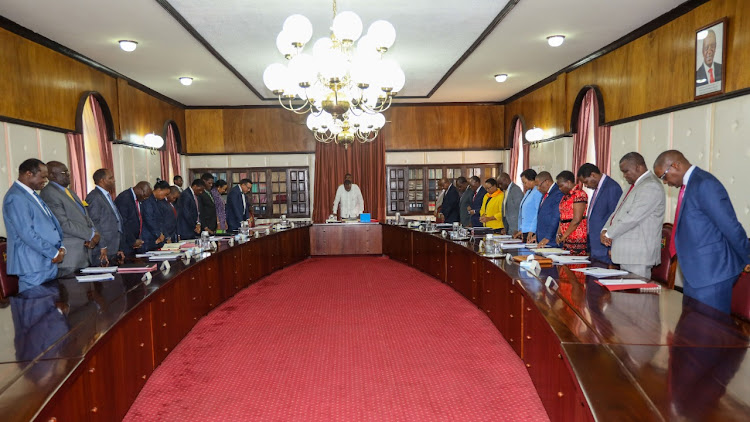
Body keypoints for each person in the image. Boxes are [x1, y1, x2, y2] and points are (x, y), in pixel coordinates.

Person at [653, 150, 750, 313]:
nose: (665, 182)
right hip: (696, 273)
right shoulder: (690, 185)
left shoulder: (705, 184)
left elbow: (730, 225)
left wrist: (747, 256)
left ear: (676, 165)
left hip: (713, 274)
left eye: (664, 176)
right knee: (693, 330)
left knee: (709, 332)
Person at [2, 159, 65, 292]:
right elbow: (27, 234)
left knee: (49, 308)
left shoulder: (31, 194)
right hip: (32, 265)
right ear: (29, 174)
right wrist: (53, 253)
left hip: (46, 262)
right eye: (42, 177)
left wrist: (60, 246)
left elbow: (49, 225)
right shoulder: (16, 197)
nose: (45, 181)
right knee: (36, 308)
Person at [600, 153, 665, 278]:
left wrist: (609, 234)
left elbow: (632, 217)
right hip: (628, 253)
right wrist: (605, 229)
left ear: (638, 167)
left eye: (626, 171)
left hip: (638, 255)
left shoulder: (651, 186)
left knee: (635, 297)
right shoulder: (632, 186)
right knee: (625, 296)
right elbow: (617, 212)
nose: (624, 176)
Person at [39, 161, 99, 275]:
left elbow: (85, 216)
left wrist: (95, 232)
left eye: (68, 172)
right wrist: (90, 234)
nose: (68, 175)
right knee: (73, 290)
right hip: (70, 256)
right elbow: (63, 223)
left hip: (82, 252)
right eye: (64, 172)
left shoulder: (68, 191)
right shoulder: (49, 193)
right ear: (51, 175)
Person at [578, 163, 623, 264]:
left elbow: (615, 218)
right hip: (596, 246)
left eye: (586, 182)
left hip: (605, 248)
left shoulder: (612, 187)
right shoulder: (598, 187)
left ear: (593, 175)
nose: (585, 185)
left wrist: (612, 247)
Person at [86, 168, 125, 265]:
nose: (114, 180)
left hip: (113, 247)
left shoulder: (106, 196)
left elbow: (115, 220)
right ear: (102, 181)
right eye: (110, 178)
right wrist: (102, 246)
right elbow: (94, 223)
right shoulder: (94, 197)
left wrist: (118, 247)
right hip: (102, 249)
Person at [555, 171, 588, 256]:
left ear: (569, 182)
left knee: (575, 265)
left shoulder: (579, 194)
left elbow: (577, 219)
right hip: (566, 237)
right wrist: (559, 233)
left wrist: (564, 236)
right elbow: (562, 217)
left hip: (577, 236)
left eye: (561, 186)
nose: (559, 188)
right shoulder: (565, 197)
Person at [114, 181, 151, 256]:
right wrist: (132, 241)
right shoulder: (124, 198)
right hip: (125, 243)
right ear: (139, 189)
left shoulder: (137, 199)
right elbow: (123, 223)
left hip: (135, 242)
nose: (144, 199)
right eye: (144, 196)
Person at [533, 171, 564, 247]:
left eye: (539, 185)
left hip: (551, 240)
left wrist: (548, 237)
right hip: (542, 239)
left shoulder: (557, 193)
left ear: (546, 182)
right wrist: (536, 235)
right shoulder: (545, 194)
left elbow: (556, 217)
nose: (538, 188)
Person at [141, 181, 171, 251]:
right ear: (159, 190)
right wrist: (158, 233)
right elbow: (149, 219)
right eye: (165, 194)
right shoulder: (148, 200)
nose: (165, 197)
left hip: (156, 237)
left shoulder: (157, 201)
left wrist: (165, 235)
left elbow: (160, 220)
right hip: (148, 238)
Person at [514, 169, 542, 242]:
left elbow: (537, 213)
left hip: (532, 231)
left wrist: (532, 229)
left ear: (532, 180)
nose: (524, 185)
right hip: (525, 229)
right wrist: (521, 229)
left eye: (525, 182)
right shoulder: (528, 192)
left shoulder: (537, 192)